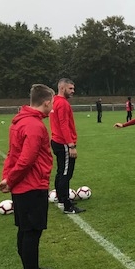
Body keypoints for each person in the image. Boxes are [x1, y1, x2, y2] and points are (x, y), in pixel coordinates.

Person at [0, 84, 63, 269]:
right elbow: (26, 159)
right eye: (52, 103)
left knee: (25, 230)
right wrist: (11, 179)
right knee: (32, 233)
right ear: (46, 102)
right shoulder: (34, 126)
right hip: (32, 186)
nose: (52, 106)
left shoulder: (20, 121)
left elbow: (12, 154)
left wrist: (7, 178)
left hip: (22, 187)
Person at [50, 78, 85, 214]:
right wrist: (71, 145)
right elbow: (64, 125)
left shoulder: (54, 101)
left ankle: (61, 199)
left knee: (61, 172)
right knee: (65, 173)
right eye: (70, 88)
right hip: (63, 143)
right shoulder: (63, 103)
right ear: (62, 88)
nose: (73, 91)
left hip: (56, 141)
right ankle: (66, 205)